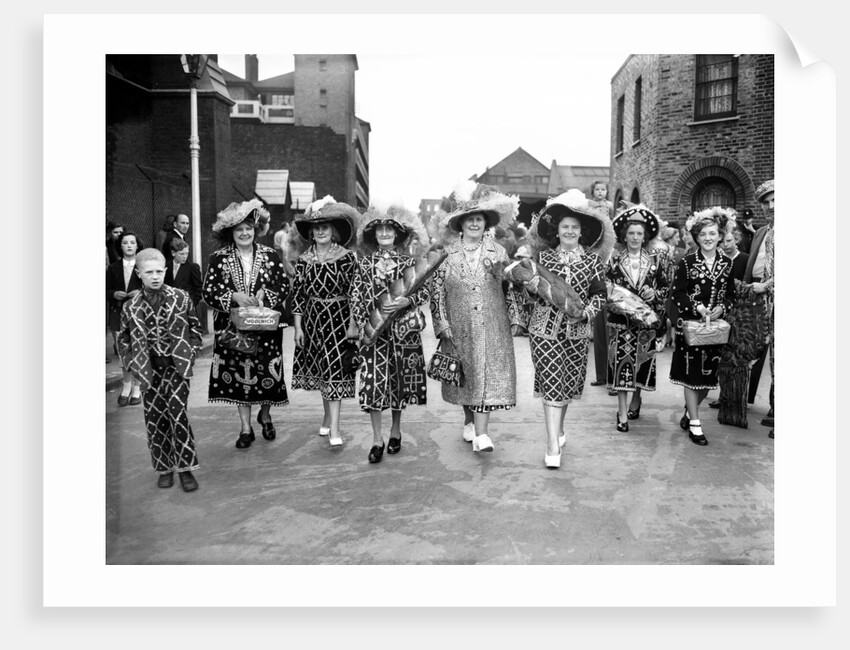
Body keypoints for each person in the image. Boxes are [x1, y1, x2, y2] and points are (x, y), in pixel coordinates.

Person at [515, 190, 610, 468]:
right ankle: (552, 445)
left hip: (577, 333)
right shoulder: (542, 259)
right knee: (553, 384)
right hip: (544, 331)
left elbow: (600, 296)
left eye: (574, 227)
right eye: (565, 226)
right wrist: (530, 288)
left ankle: (559, 428)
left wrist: (585, 315)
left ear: (582, 232)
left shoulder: (593, 261)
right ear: (557, 230)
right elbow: (528, 297)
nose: (569, 231)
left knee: (567, 385)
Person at [429, 181, 519, 454]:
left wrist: (515, 316)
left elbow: (509, 286)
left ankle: (482, 434)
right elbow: (436, 293)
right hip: (459, 324)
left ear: (485, 223)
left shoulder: (498, 252)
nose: (474, 224)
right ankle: (468, 420)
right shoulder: (446, 256)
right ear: (460, 224)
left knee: (486, 375)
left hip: (493, 322)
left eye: (479, 219)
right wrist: (442, 324)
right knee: (467, 375)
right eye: (469, 219)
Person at [202, 199, 290, 449]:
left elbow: (283, 286)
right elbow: (208, 291)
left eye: (249, 228)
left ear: (256, 229)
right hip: (234, 329)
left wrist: (266, 295)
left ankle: (265, 414)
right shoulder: (218, 258)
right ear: (231, 232)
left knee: (267, 374)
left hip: (265, 327)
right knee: (241, 379)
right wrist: (233, 297)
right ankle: (246, 428)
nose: (244, 233)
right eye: (239, 229)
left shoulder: (271, 255)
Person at [117, 248, 203, 492]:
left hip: (176, 369)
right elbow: (123, 338)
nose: (154, 276)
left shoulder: (181, 297)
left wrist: (191, 352)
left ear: (165, 271)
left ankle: (186, 469)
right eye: (148, 272)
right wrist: (132, 362)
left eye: (158, 271)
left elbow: (195, 328)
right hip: (148, 371)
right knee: (155, 419)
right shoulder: (131, 306)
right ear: (139, 273)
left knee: (178, 415)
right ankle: (164, 468)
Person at [351, 205, 430, 463]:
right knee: (373, 384)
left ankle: (395, 430)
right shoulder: (363, 265)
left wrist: (407, 302)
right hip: (373, 335)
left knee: (399, 382)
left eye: (389, 229)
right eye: (380, 230)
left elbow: (425, 293)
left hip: (403, 334)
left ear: (397, 235)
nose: (384, 233)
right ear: (373, 235)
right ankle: (376, 439)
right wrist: (367, 320)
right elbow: (356, 297)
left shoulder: (409, 263)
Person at [291, 196, 360, 447]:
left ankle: (335, 428)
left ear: (333, 232)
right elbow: (297, 294)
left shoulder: (346, 258)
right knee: (321, 370)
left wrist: (354, 324)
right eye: (316, 228)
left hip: (339, 319)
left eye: (325, 227)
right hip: (312, 319)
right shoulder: (303, 260)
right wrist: (298, 327)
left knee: (334, 368)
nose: (320, 231)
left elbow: (355, 292)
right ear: (311, 233)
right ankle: (327, 416)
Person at [669, 207, 737, 446]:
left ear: (720, 236)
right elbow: (676, 294)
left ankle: (690, 411)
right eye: (703, 234)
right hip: (691, 327)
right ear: (696, 237)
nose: (708, 238)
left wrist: (723, 308)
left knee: (708, 381)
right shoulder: (686, 263)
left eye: (712, 233)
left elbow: (731, 295)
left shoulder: (727, 264)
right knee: (691, 376)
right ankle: (696, 425)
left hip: (715, 330)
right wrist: (697, 307)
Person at [606, 205, 668, 432]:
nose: (634, 237)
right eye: (630, 233)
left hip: (646, 322)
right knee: (622, 366)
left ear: (646, 237)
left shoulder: (655, 261)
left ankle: (636, 399)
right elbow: (605, 288)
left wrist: (655, 294)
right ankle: (622, 413)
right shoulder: (613, 260)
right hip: (620, 323)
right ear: (624, 235)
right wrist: (619, 301)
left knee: (640, 365)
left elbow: (665, 288)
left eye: (639, 233)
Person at [742, 180, 775, 437]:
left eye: (775, 200)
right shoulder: (763, 231)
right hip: (758, 298)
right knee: (754, 350)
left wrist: (769, 286)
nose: (770, 206)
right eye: (765, 202)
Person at [106, 230, 144, 405]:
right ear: (120, 246)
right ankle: (126, 385)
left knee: (137, 350)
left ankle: (137, 387)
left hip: (139, 313)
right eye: (125, 243)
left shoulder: (144, 266)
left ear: (137, 246)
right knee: (123, 352)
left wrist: (141, 292)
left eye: (132, 242)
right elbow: (105, 290)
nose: (129, 246)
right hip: (118, 313)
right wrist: (114, 294)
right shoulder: (113, 267)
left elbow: (156, 287)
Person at [587, 181, 616, 389]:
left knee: (612, 334)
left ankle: (614, 377)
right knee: (599, 333)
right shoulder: (591, 246)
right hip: (597, 291)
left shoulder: (615, 244)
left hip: (614, 292)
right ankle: (601, 375)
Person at [164, 238, 203, 311]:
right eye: (181, 254)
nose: (185, 256)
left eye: (186, 253)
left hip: (187, 307)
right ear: (173, 253)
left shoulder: (192, 267)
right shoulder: (166, 266)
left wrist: (192, 304)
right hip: (170, 306)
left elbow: (199, 288)